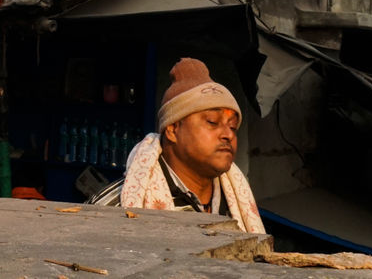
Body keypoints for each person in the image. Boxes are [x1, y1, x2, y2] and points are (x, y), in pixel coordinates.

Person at [90, 57, 264, 234]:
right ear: (172, 130)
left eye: (232, 126)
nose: (228, 135)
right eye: (212, 122)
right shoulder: (114, 207)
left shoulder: (235, 206)